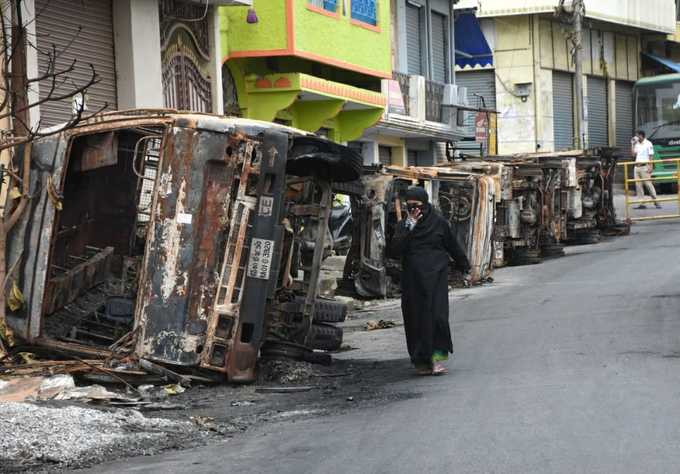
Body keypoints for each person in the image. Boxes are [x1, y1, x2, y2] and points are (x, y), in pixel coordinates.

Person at [391, 186, 471, 376]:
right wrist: (409, 226)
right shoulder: (404, 226)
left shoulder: (439, 223)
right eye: (409, 206)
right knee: (416, 320)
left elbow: (453, 246)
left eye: (417, 206)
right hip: (413, 281)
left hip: (436, 278)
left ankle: (436, 360)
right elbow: (394, 251)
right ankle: (421, 361)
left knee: (437, 318)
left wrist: (465, 267)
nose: (414, 210)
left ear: (425, 204)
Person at [631, 130, 661, 209]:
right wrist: (632, 144)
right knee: (638, 185)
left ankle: (656, 201)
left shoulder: (648, 143)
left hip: (645, 167)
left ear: (641, 136)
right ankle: (641, 203)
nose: (636, 137)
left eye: (637, 136)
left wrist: (650, 166)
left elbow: (651, 155)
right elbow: (633, 154)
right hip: (636, 167)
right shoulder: (636, 144)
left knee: (648, 185)